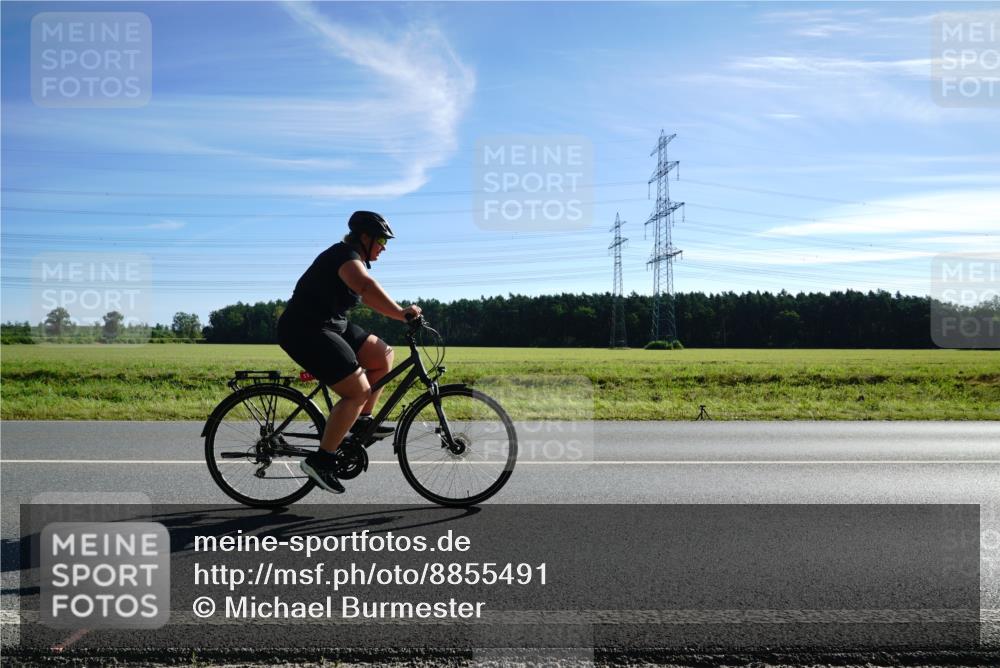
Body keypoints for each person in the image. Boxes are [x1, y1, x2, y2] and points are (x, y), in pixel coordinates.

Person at [277, 211, 421, 494]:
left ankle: (360, 422)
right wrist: (401, 313)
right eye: (380, 240)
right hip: (305, 329)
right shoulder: (344, 256)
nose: (384, 247)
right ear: (364, 237)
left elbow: (365, 290)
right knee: (357, 391)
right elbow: (366, 288)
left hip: (332, 324)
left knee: (383, 356)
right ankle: (322, 460)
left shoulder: (353, 259)